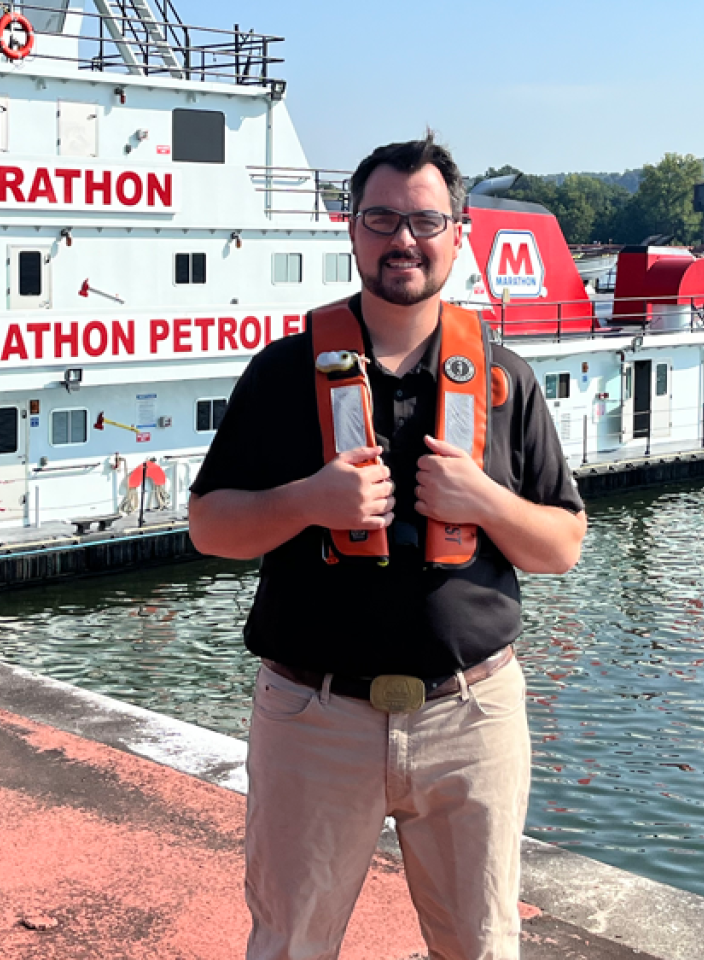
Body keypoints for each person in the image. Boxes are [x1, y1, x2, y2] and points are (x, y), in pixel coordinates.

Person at [188, 133, 587, 960]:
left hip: (471, 716)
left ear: (459, 232)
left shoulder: (505, 380)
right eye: (382, 218)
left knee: (481, 945)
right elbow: (209, 525)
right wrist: (310, 500)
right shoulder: (284, 374)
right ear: (353, 230)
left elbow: (562, 544)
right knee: (291, 942)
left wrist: (483, 500)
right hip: (314, 716)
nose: (403, 238)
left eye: (424, 220)